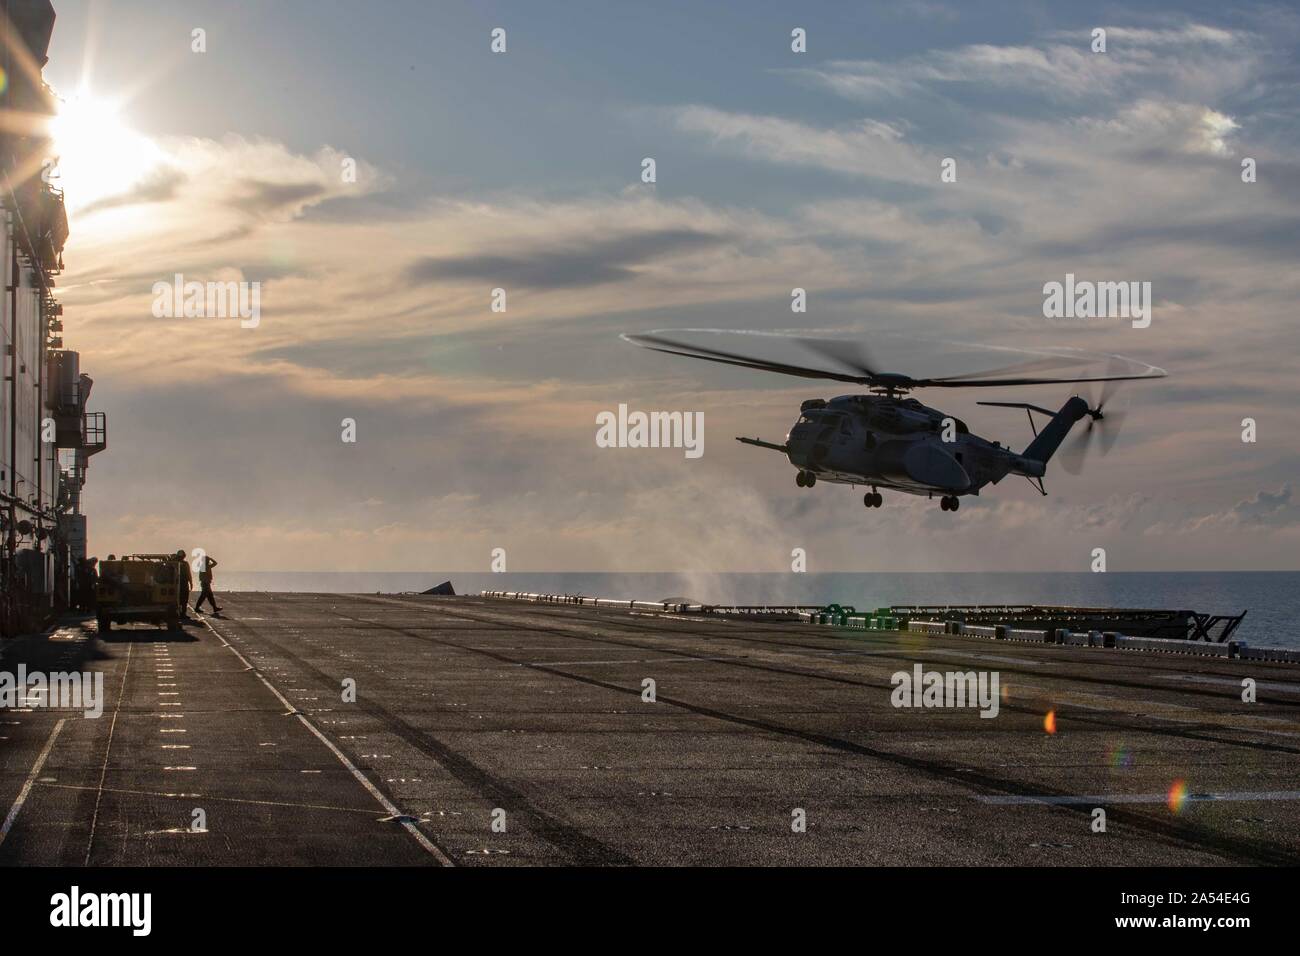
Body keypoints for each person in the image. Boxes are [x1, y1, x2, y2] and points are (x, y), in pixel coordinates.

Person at [176, 550, 193, 616]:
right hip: (184, 584)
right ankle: (183, 614)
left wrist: (191, 583)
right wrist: (191, 583)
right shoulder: (185, 563)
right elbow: (188, 574)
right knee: (184, 600)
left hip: (177, 584)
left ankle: (179, 613)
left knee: (179, 599)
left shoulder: (174, 562)